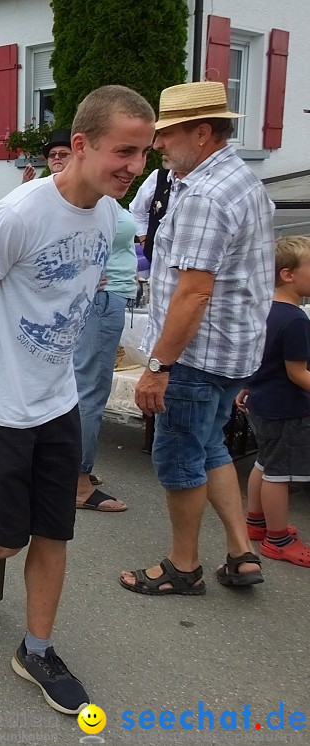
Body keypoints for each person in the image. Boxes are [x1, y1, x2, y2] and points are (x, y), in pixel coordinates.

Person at [0, 85, 155, 716]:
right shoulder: (19, 214)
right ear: (80, 145)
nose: (135, 166)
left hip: (57, 400)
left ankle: (37, 649)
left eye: (144, 153)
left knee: (53, 532)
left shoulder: (106, 213)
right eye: (124, 151)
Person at [123, 81, 274, 596]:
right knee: (210, 445)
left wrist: (158, 367)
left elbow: (192, 294)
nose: (160, 145)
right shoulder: (240, 180)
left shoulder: (205, 196)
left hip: (196, 355)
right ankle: (240, 551)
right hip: (233, 351)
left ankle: (182, 566)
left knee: (180, 457)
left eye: (167, 134)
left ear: (203, 133)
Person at [238, 236, 310, 567]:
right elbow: (297, 373)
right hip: (286, 409)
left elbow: (259, 358)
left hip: (261, 402)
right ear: (287, 274)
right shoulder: (296, 320)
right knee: (279, 474)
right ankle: (278, 539)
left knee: (264, 463)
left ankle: (255, 521)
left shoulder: (265, 310)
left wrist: (247, 387)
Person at [70, 201, 135, 513]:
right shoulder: (91, 198)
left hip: (106, 297)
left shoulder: (104, 197)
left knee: (81, 388)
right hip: (101, 299)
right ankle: (78, 484)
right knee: (90, 391)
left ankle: (71, 473)